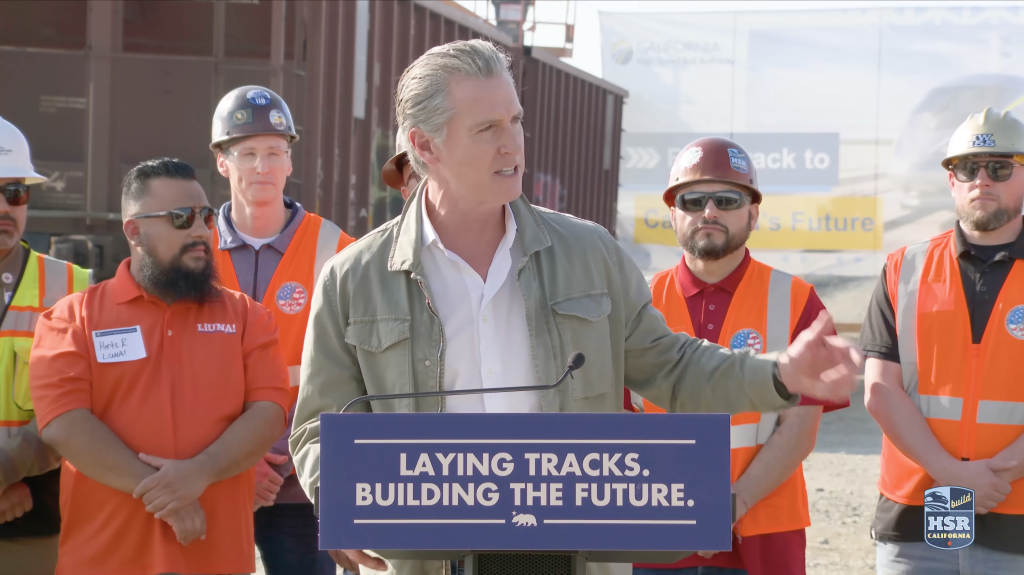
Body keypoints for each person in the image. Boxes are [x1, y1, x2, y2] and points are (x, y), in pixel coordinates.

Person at [289, 39, 863, 575]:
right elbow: (318, 428)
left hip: (566, 555)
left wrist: (780, 374)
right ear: (423, 145)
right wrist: (337, 490)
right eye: (487, 128)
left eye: (515, 121)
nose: (512, 143)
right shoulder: (352, 280)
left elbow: (673, 367)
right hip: (430, 558)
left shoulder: (590, 254)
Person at [29, 158, 291, 575]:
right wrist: (169, 494)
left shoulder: (248, 318)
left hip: (216, 560)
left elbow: (269, 411)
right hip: (102, 560)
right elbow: (64, 422)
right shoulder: (72, 318)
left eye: (206, 216)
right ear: (134, 231)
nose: (201, 231)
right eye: (181, 218)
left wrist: (199, 473)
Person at [626, 138, 848, 575]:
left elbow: (800, 429)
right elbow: (621, 426)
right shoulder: (638, 303)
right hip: (659, 528)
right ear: (673, 213)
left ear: (753, 212)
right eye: (693, 200)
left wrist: (731, 504)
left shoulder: (797, 300)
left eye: (726, 199)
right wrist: (689, 511)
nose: (709, 211)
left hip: (765, 528)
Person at [862, 107, 1024, 574]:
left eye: (999, 167)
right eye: (967, 168)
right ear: (951, 181)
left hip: (1014, 512)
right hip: (916, 511)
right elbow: (880, 390)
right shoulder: (904, 269)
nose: (982, 180)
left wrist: (996, 473)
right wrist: (953, 474)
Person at [210, 85, 354, 575]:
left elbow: (349, 373)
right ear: (222, 163)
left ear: (291, 162)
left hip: (301, 483)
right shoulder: (192, 248)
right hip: (207, 475)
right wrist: (238, 459)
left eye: (274, 152)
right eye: (246, 153)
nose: (262, 166)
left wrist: (272, 460)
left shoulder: (338, 249)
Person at [0, 117, 91, 575]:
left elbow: (84, 405)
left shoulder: (74, 288)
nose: (5, 207)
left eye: (15, 192)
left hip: (38, 522)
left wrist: (9, 477)